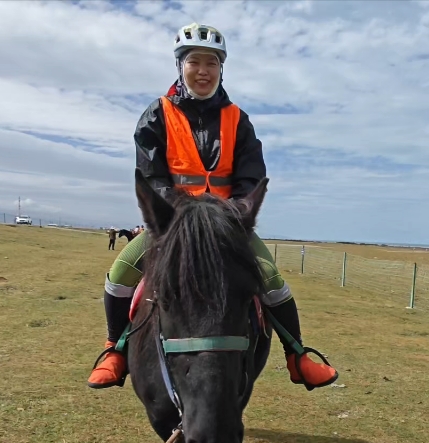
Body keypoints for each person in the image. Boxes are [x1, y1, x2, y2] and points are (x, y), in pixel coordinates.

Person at [88, 22, 338, 391]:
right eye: (195, 62)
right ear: (180, 66)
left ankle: (297, 355)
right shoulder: (156, 115)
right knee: (121, 271)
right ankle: (115, 349)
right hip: (174, 222)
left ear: (221, 69)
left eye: (212, 63)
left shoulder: (239, 120)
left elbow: (251, 173)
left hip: (226, 221)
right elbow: (151, 173)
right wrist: (176, 214)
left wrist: (235, 213)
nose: (203, 71)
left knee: (271, 278)